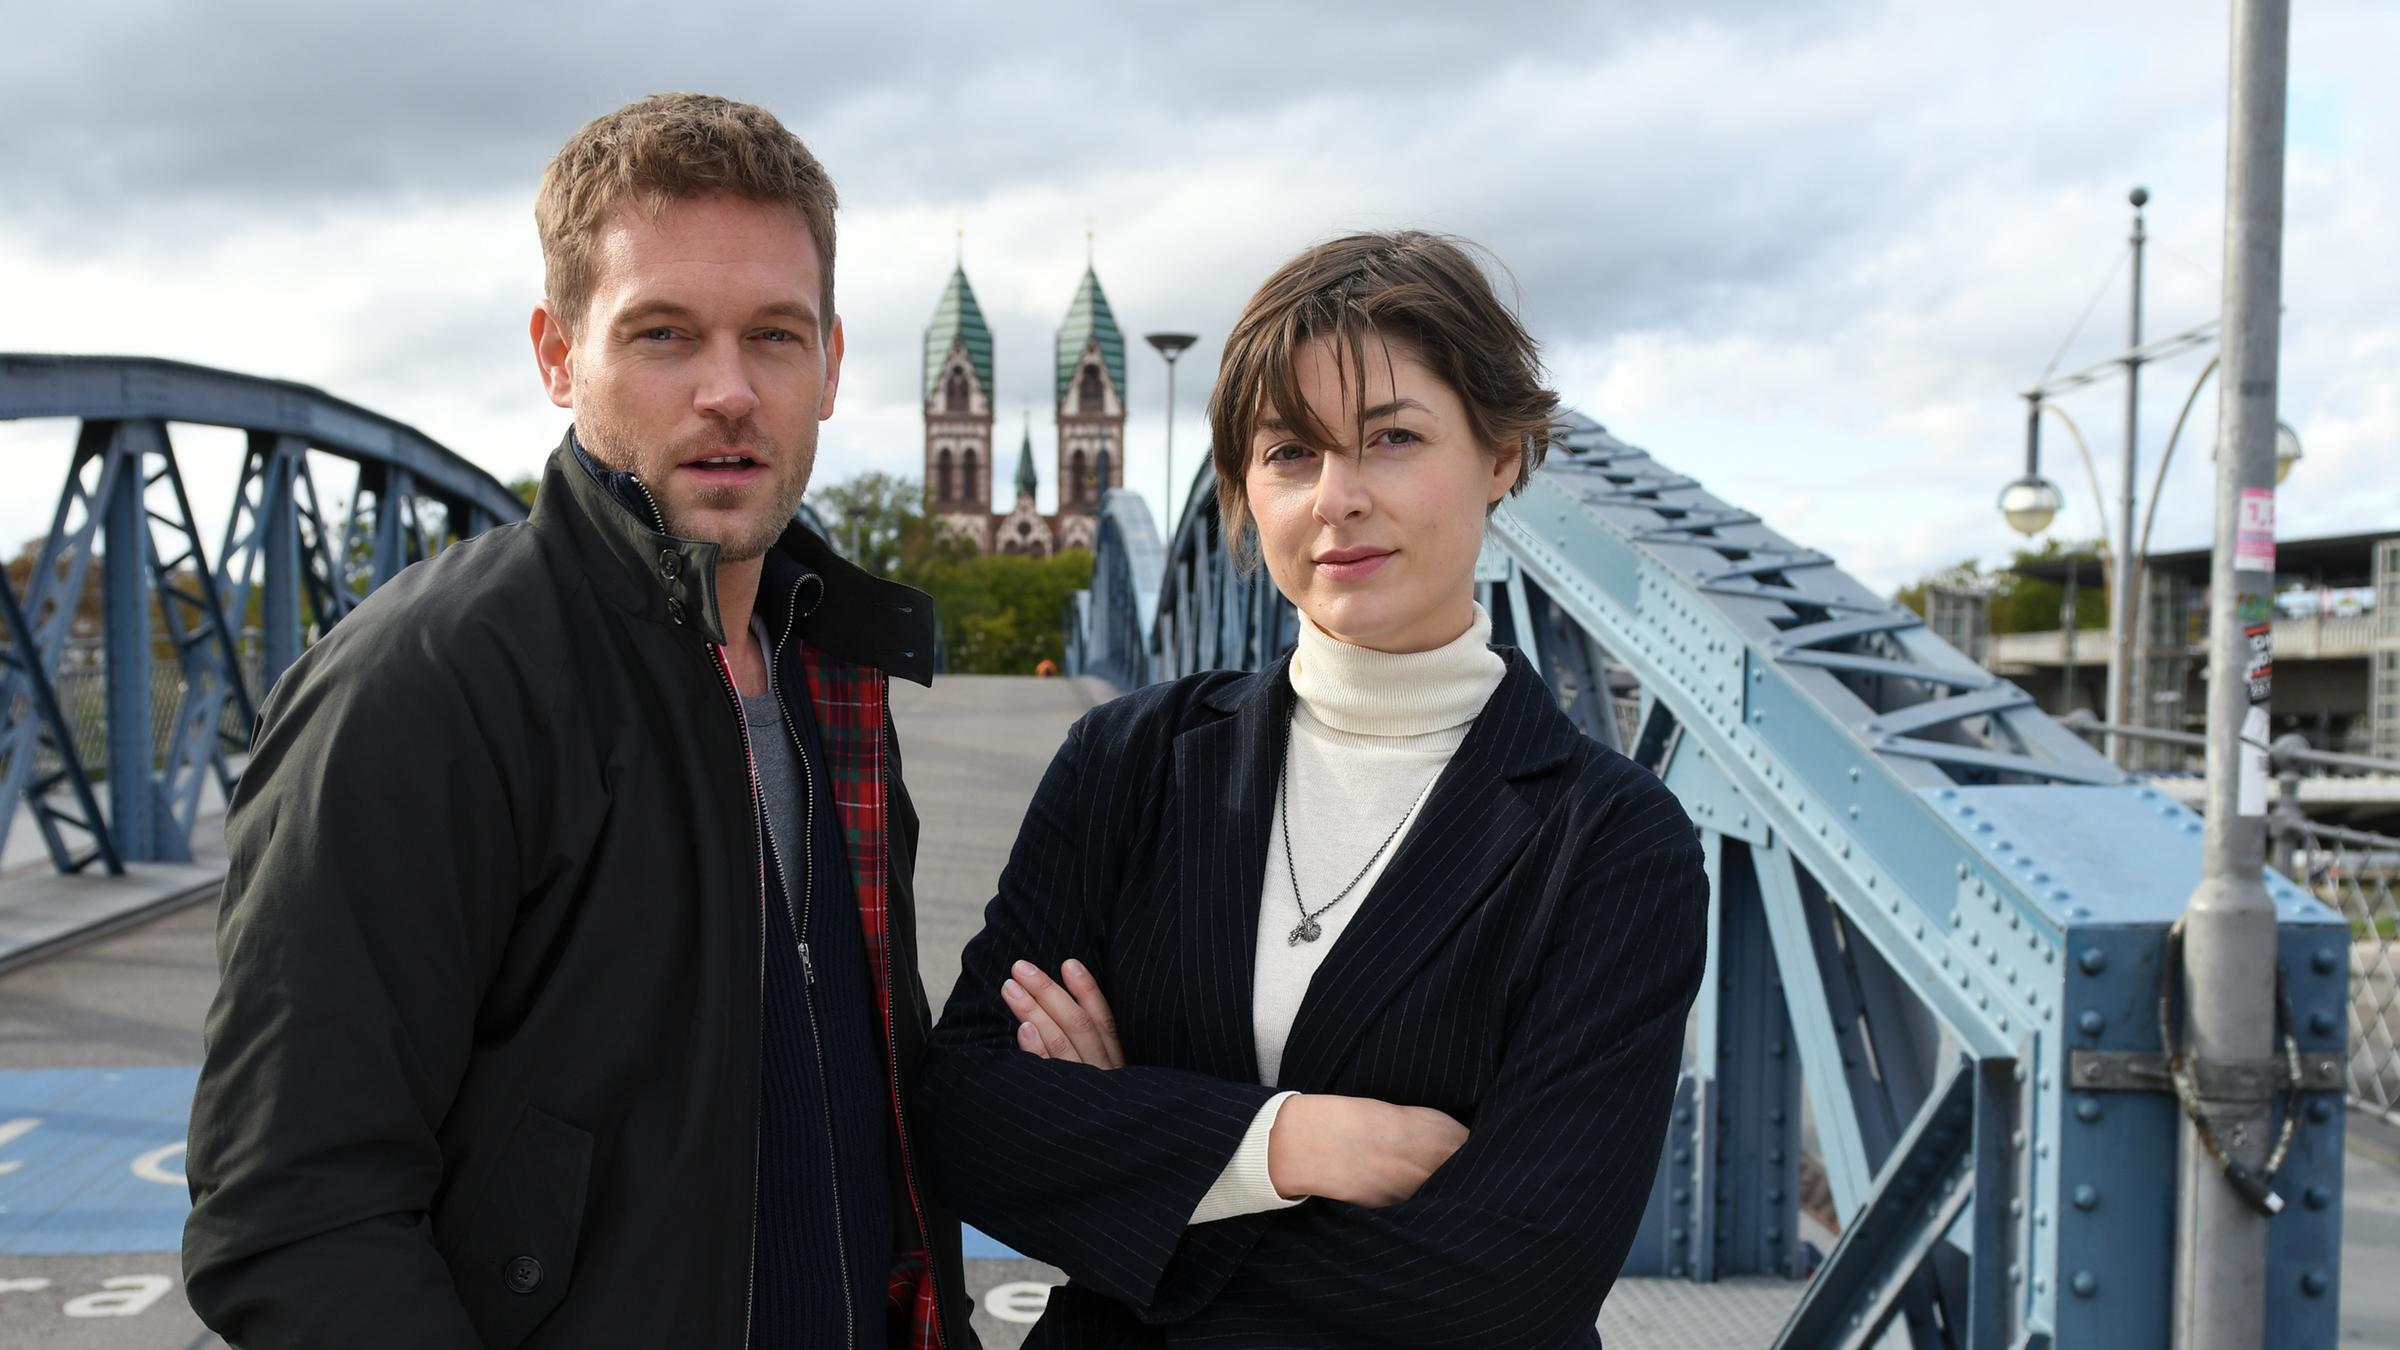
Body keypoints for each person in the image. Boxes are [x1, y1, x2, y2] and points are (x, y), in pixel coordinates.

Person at [182, 93, 974, 1349]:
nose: (728, 392)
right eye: (663, 334)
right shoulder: (423, 687)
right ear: (559, 354)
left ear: (830, 363)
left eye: (773, 336)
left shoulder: (830, 670)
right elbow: (291, 1213)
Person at [918, 231, 1708, 1348]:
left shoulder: (1612, 841)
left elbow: (1512, 1285)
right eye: (1289, 451)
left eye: (1391, 438)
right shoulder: (1129, 762)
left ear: (1502, 455)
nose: (1337, 497)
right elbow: (963, 1118)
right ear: (1245, 488)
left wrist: (1131, 1154)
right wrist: (1288, 1146)